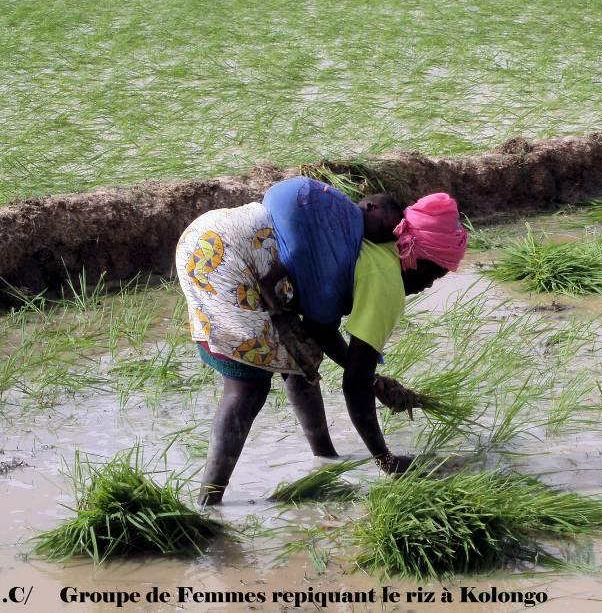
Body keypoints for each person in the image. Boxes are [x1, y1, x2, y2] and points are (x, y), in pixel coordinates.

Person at [174, 179, 468, 505]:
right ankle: (208, 504)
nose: (428, 286)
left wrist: (373, 380)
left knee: (302, 360)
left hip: (211, 233)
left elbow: (320, 331)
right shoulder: (386, 281)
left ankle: (325, 458)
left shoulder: (373, 241)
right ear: (416, 256)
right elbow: (354, 383)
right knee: (247, 388)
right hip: (233, 259)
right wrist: (385, 459)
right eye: (433, 273)